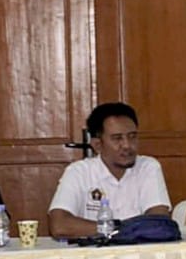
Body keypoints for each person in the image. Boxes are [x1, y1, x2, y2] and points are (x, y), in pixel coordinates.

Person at [48, 102, 171, 238]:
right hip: (93, 251)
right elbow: (59, 226)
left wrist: (108, 229)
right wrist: (122, 228)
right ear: (97, 145)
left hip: (138, 250)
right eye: (117, 138)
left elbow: (159, 222)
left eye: (132, 136)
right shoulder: (78, 172)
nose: (127, 145)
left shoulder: (148, 167)